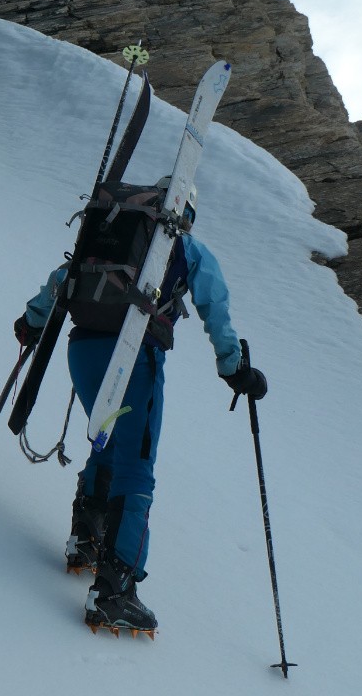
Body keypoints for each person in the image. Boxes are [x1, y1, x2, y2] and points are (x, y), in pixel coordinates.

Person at [15, 176, 268, 636]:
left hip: (83, 350)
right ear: (186, 213)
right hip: (134, 355)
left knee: (108, 441)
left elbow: (61, 279)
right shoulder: (187, 248)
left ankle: (86, 537)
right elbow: (215, 307)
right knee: (137, 462)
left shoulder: (112, 233)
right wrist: (235, 368)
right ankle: (116, 588)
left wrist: (31, 321)